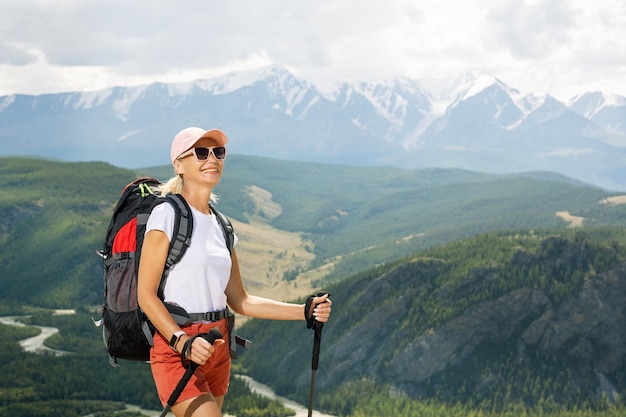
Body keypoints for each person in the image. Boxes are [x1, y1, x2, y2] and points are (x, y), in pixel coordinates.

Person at [137, 126, 332, 417]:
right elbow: (145, 295)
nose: (212, 158)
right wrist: (182, 342)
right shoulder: (166, 214)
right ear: (178, 164)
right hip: (178, 347)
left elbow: (241, 300)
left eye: (218, 152)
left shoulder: (222, 226)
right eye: (201, 152)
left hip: (218, 345)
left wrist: (304, 311)